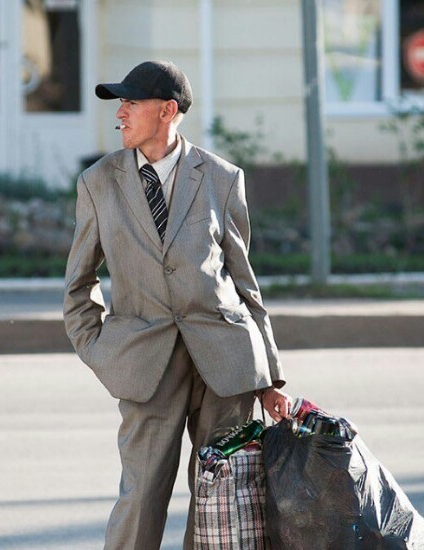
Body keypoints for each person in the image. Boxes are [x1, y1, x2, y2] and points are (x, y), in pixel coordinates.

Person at [63, 60, 291, 550]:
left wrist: (270, 377)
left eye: (130, 103)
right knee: (141, 496)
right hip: (144, 362)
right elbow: (78, 286)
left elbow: (245, 283)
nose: (119, 113)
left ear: (167, 110)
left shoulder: (222, 178)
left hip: (226, 364)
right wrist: (99, 349)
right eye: (118, 104)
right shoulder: (98, 182)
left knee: (220, 502)